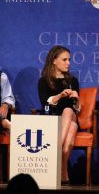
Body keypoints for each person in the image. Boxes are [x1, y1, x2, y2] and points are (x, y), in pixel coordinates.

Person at [38, 45, 81, 184]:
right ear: (54, 61)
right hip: (53, 119)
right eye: (64, 60)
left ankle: (54, 149)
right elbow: (45, 102)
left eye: (69, 60)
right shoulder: (44, 80)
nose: (68, 63)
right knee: (73, 128)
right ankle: (63, 170)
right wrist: (60, 95)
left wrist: (77, 98)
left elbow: (77, 109)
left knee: (68, 111)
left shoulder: (72, 80)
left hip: (71, 114)